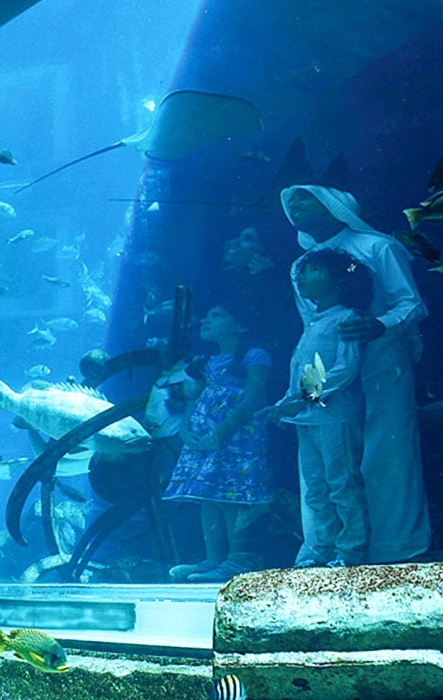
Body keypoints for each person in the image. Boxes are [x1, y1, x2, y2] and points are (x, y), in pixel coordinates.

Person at [280, 185, 431, 563]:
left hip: (384, 364)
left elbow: (411, 305)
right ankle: (324, 548)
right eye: (291, 200)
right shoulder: (301, 266)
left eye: (304, 197)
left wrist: (379, 325)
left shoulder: (378, 247)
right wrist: (304, 392)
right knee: (323, 468)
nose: (294, 204)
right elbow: (313, 329)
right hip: (330, 381)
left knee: (386, 453)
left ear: (333, 204)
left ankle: (393, 548)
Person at [261, 249, 372, 568]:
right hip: (308, 420)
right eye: (303, 270)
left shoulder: (346, 317)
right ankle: (323, 549)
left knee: (343, 484)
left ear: (339, 280)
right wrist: (283, 405)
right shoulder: (313, 322)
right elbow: (302, 373)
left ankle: (351, 552)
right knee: (316, 488)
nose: (304, 276)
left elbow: (345, 369)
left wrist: (305, 398)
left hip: (335, 418)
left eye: (314, 270)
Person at [164, 299, 273, 582]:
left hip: (237, 440)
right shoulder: (205, 362)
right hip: (204, 442)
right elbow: (194, 398)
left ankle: (237, 558)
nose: (206, 320)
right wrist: (185, 431)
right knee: (207, 496)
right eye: (206, 315)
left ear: (241, 325)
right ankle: (212, 558)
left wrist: (221, 432)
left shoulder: (255, 356)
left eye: (217, 314)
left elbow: (254, 399)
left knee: (231, 496)